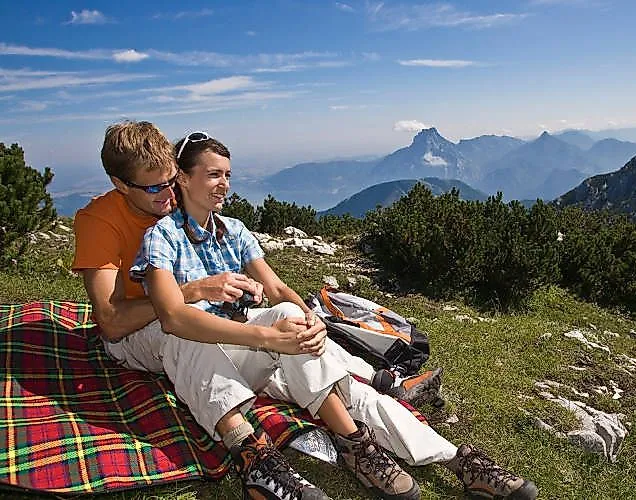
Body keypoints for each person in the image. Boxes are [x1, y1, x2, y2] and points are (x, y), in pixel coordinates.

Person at [73, 121, 538, 500]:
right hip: (159, 335)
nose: (168, 194)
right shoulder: (124, 227)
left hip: (227, 336)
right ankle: (254, 457)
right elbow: (129, 321)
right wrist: (204, 298)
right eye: (156, 187)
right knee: (188, 332)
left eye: (170, 180)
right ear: (121, 184)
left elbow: (275, 288)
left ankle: (447, 457)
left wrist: (308, 320)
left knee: (332, 376)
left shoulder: (221, 227)